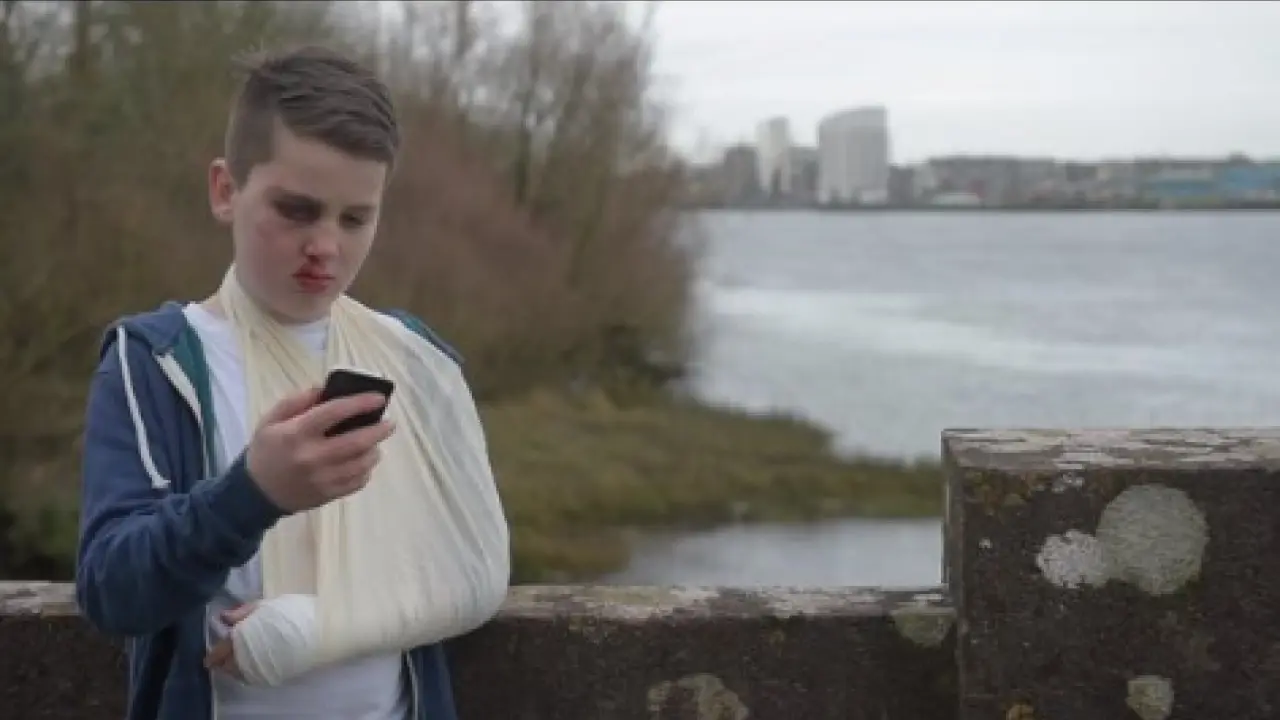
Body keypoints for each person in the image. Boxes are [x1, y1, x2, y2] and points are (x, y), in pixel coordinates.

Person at [75, 45, 483, 720]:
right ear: (225, 191)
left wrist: (316, 626)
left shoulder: (416, 360)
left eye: (355, 218)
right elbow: (111, 591)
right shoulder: (153, 362)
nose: (327, 246)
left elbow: (470, 567)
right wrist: (252, 494)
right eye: (296, 210)